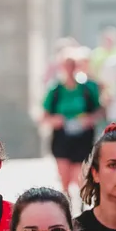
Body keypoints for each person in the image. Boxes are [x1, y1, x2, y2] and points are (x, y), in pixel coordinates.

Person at [43, 48, 103, 198]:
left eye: (73, 66)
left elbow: (100, 111)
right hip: (62, 136)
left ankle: (82, 205)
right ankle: (67, 206)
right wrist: (54, 120)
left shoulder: (88, 88)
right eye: (66, 66)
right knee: (64, 177)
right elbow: (44, 115)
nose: (70, 70)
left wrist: (89, 119)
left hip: (83, 136)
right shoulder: (55, 89)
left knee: (79, 176)